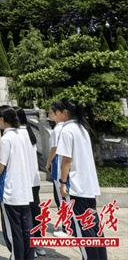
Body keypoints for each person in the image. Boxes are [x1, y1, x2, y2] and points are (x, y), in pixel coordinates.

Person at [54, 99, 107, 260]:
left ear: (64, 113)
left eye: (56, 112)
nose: (54, 115)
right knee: (93, 226)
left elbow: (66, 160)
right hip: (88, 185)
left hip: (76, 186)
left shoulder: (67, 130)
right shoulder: (82, 128)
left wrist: (62, 183)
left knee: (83, 230)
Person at [0, 105, 35, 260]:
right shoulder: (22, 135)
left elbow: (1, 165)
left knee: (14, 231)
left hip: (10, 191)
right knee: (26, 228)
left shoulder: (6, 138)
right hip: (25, 189)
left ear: (3, 119)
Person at [16, 108, 46, 257]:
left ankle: (30, 247)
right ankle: (38, 244)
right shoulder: (30, 133)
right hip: (34, 180)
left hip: (23, 181)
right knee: (35, 213)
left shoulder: (16, 135)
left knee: (25, 216)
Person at [45, 105, 67, 237]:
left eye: (50, 113)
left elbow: (54, 149)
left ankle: (65, 227)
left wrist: (48, 162)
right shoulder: (66, 128)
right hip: (64, 164)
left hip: (58, 165)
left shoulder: (57, 130)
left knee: (60, 198)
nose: (49, 115)